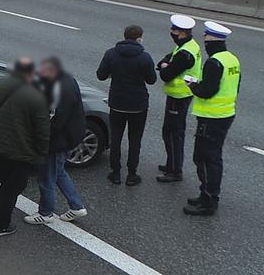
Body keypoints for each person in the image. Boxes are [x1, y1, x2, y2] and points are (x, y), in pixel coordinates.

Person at [0, 58, 50, 237]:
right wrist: (41, 154)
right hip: (18, 151)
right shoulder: (36, 96)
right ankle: (0, 226)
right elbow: (42, 130)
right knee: (10, 188)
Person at [184, 21, 240, 216]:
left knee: (205, 158)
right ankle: (206, 195)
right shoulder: (231, 59)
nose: (205, 44)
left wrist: (192, 86)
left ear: (212, 42)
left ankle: (208, 200)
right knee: (212, 157)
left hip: (211, 117)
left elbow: (207, 91)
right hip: (225, 114)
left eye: (206, 40)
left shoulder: (214, 62)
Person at [24, 57, 88, 225]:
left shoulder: (60, 90)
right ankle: (76, 206)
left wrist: (43, 140)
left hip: (58, 140)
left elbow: (57, 120)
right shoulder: (65, 80)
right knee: (58, 172)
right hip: (69, 136)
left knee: (46, 178)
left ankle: (46, 213)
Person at [96, 25, 157, 186]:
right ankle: (132, 174)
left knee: (116, 137)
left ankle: (115, 173)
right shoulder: (145, 57)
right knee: (135, 139)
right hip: (138, 104)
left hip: (117, 102)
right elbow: (152, 80)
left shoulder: (111, 53)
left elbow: (100, 75)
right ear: (139, 38)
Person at [156, 14, 202, 183]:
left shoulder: (185, 54)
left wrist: (164, 67)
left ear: (182, 33)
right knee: (171, 131)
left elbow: (166, 75)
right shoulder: (188, 45)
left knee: (172, 133)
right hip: (180, 95)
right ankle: (171, 164)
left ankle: (175, 170)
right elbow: (168, 58)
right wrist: (164, 63)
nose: (172, 33)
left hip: (179, 96)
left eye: (174, 31)